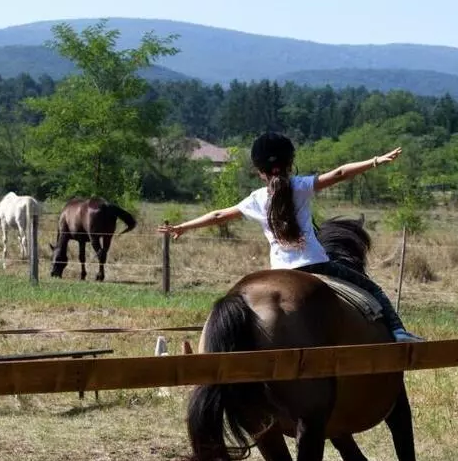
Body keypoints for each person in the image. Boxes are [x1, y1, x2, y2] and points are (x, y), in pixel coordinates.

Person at [157, 131, 424, 343]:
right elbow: (340, 173)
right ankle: (399, 332)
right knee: (372, 289)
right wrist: (375, 161)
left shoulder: (256, 199)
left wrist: (183, 227)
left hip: (280, 271)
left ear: (258, 170)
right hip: (317, 264)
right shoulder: (301, 186)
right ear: (290, 163)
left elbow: (218, 215)